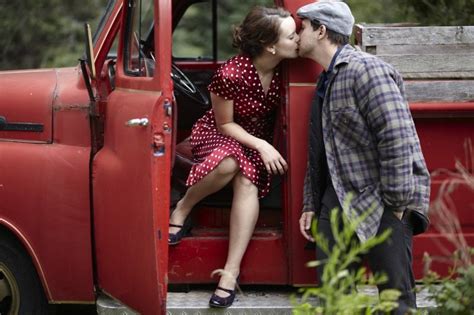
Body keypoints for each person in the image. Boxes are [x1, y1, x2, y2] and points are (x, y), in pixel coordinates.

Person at [296, 1, 430, 314]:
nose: (297, 35)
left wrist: (396, 205)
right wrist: (311, 203)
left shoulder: (366, 70)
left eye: (302, 28)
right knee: (335, 297)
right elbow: (321, 149)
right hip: (339, 198)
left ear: (321, 30)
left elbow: (396, 138)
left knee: (395, 301)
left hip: (382, 198)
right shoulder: (325, 80)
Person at [167, 6, 299, 308]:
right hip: (220, 134)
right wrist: (263, 146)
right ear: (270, 45)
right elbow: (225, 124)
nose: (298, 39)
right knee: (229, 162)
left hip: (254, 142)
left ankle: (230, 273)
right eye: (292, 35)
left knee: (247, 179)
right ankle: (183, 207)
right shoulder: (230, 74)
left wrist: (264, 145)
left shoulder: (286, 67)